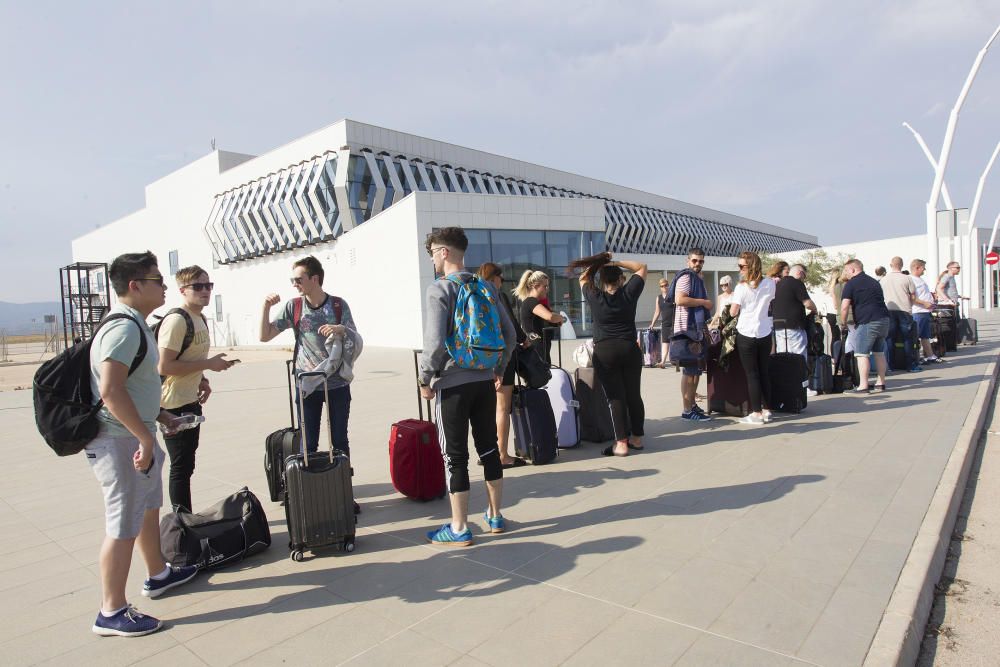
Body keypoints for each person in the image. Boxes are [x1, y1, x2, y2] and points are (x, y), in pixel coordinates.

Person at [87, 252, 199, 638]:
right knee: (123, 523)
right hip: (119, 442)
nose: (164, 286)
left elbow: (133, 387)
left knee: (149, 507)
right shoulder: (122, 329)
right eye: (157, 279)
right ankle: (111, 610)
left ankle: (158, 573)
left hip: (138, 434)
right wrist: (142, 438)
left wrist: (160, 418)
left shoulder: (137, 324)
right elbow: (111, 390)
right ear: (135, 285)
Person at [419, 227, 517, 546]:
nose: (431, 259)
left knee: (456, 455)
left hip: (453, 384)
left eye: (432, 252)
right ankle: (495, 515)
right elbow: (510, 335)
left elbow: (434, 342)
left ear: (444, 252)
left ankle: (459, 527)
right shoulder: (487, 287)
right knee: (489, 448)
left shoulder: (439, 289)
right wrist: (498, 369)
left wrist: (425, 378)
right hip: (484, 382)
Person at [260, 255, 360, 513]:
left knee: (340, 439)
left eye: (298, 279)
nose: (294, 284)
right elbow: (264, 335)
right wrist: (265, 308)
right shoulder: (293, 307)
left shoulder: (338, 305)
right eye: (292, 279)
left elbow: (354, 336)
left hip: (337, 382)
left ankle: (343, 495)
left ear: (314, 279)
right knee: (309, 442)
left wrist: (339, 329)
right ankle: (310, 496)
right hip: (306, 384)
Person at [156, 265, 236, 513]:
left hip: (190, 400)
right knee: (180, 467)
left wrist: (202, 379)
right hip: (172, 404)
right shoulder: (177, 320)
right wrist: (210, 365)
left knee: (187, 464)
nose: (205, 291)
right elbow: (164, 365)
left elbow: (189, 357)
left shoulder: (199, 318)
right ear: (182, 290)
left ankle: (185, 518)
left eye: (208, 286)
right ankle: (182, 522)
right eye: (198, 287)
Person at [569, 252, 648, 456]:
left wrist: (599, 262)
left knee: (615, 397)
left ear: (602, 281)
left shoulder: (595, 297)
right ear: (621, 279)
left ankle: (621, 443)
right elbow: (641, 267)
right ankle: (637, 439)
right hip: (629, 348)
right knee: (633, 394)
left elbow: (583, 277)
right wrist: (616, 262)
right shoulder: (629, 293)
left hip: (604, 351)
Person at [476, 262, 527, 468]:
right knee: (502, 408)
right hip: (500, 360)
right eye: (501, 279)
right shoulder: (496, 296)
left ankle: (485, 453)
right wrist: (525, 339)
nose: (502, 283)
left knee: (484, 410)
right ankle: (502, 455)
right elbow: (511, 328)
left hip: (478, 360)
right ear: (494, 277)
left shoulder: (473, 294)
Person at [729, 252, 777, 425]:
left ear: (750, 267)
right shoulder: (770, 283)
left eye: (742, 266)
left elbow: (734, 311)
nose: (740, 269)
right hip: (764, 332)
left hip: (747, 333)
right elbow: (770, 300)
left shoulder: (741, 287)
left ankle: (756, 413)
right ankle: (767, 409)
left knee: (752, 374)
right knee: (764, 371)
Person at [674, 248, 713, 421]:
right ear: (688, 260)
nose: (698, 264)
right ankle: (687, 410)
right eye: (695, 261)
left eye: (701, 261)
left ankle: (691, 405)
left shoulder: (696, 278)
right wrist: (704, 302)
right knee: (690, 371)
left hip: (694, 330)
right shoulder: (686, 277)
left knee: (694, 371)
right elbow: (680, 299)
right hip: (687, 330)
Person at [840, 259, 890, 393]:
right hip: (884, 319)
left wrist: (843, 323)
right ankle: (881, 383)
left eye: (846, 270)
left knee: (862, 354)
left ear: (852, 270)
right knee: (879, 353)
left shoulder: (851, 284)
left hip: (868, 321)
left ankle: (863, 386)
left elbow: (844, 307)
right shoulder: (874, 281)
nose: (845, 273)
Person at [513, 270, 564, 364]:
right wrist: (561, 317)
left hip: (539, 350)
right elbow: (551, 317)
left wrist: (557, 320)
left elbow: (550, 319)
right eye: (545, 286)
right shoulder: (531, 302)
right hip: (536, 352)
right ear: (535, 286)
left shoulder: (535, 303)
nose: (547, 289)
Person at [881, 256, 920, 372]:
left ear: (890, 265)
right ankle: (910, 365)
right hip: (904, 310)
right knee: (907, 338)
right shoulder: (907, 278)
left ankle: (891, 365)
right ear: (902, 265)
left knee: (889, 338)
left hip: (889, 310)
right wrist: (910, 305)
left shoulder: (884, 279)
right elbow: (913, 296)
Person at [771, 263, 816, 362]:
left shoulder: (777, 285)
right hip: (794, 327)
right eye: (804, 276)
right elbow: (808, 303)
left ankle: (785, 377)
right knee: (798, 357)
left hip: (778, 326)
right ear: (800, 273)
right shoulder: (797, 283)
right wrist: (815, 310)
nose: (804, 279)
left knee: (783, 358)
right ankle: (800, 377)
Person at [910, 258, 940, 363]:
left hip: (925, 311)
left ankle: (930, 355)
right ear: (917, 268)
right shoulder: (911, 279)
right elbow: (912, 297)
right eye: (923, 268)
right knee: (916, 336)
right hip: (918, 311)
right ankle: (916, 357)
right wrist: (925, 303)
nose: (924, 270)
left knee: (925, 336)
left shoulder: (919, 279)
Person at [647, 277, 672, 367]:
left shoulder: (673, 296)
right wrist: (652, 324)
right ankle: (663, 362)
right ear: (660, 287)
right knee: (665, 342)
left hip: (675, 323)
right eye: (662, 286)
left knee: (676, 342)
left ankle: (678, 360)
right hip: (665, 324)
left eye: (666, 285)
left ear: (668, 285)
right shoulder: (659, 298)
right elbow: (657, 312)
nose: (664, 287)